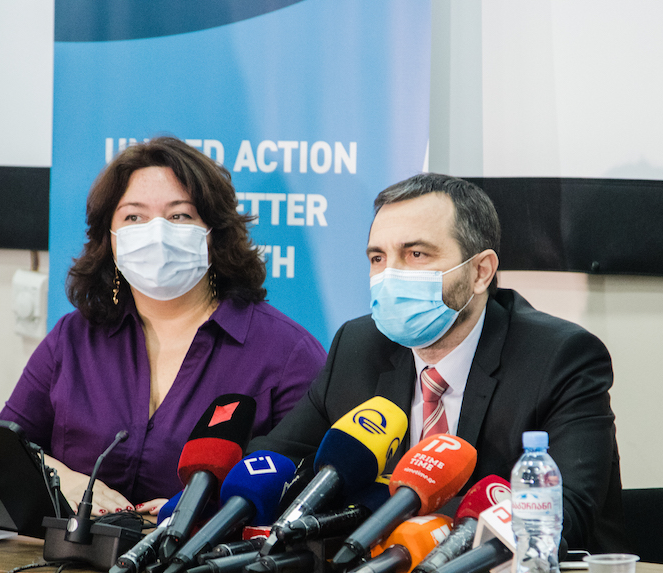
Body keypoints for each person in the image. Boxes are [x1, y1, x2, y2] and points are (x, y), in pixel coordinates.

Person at [248, 173, 625, 552]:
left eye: (416, 254)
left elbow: (562, 515)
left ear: (481, 272)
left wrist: (396, 520)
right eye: (378, 258)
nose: (390, 276)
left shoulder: (560, 358)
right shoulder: (357, 347)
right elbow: (275, 462)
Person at [0, 136, 326, 517]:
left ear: (212, 233)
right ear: (111, 237)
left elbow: (309, 489)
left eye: (179, 216)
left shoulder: (286, 353)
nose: (156, 232)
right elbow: (3, 448)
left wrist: (204, 510)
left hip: (208, 567)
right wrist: (64, 480)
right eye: (134, 217)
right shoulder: (73, 339)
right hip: (68, 562)